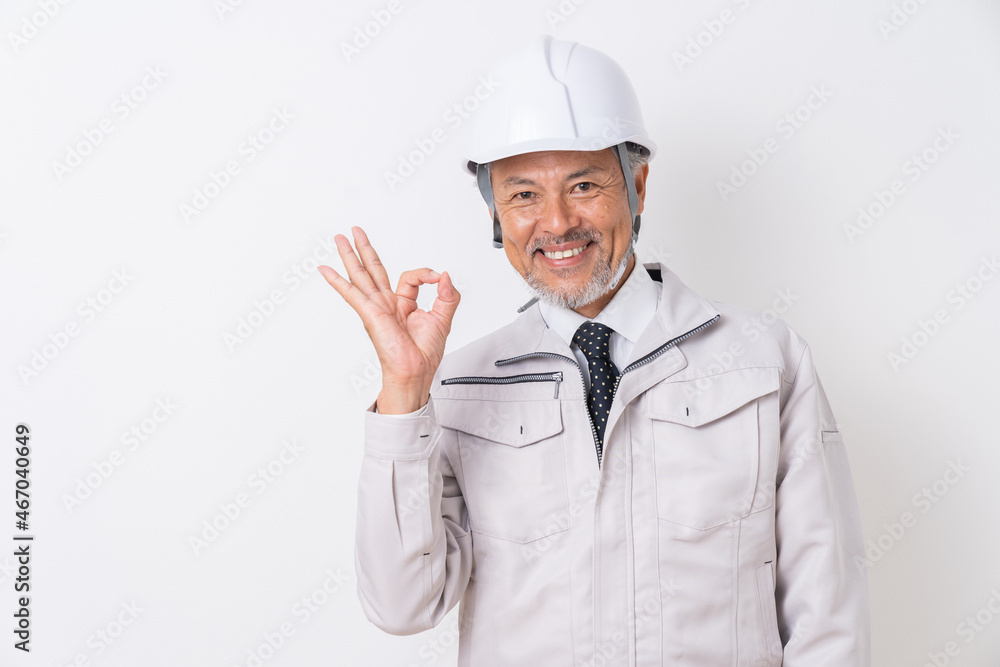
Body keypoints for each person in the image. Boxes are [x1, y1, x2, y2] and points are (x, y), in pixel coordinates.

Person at [319, 35, 870, 666]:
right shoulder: (459, 387)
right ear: (496, 213)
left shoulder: (765, 362)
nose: (556, 223)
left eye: (583, 185)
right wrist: (403, 392)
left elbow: (829, 617)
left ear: (637, 186)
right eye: (523, 194)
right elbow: (402, 606)